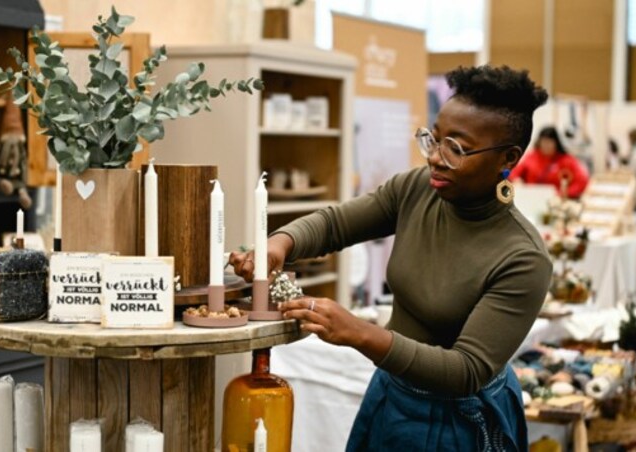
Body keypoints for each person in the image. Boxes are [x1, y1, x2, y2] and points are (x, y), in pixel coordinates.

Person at [230, 65, 552, 451]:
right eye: (433, 139)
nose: (435, 157)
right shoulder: (419, 189)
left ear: (509, 157)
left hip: (461, 421)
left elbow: (465, 370)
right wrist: (280, 243)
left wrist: (359, 333)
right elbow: (335, 225)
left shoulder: (523, 258)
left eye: (457, 149)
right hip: (393, 396)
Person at [509, 126, 590, 198]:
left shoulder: (567, 160)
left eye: (549, 142)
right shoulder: (532, 156)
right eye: (543, 142)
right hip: (532, 198)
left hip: (555, 201)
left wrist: (565, 193)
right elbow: (514, 172)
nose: (546, 145)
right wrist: (516, 180)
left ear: (556, 143)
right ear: (539, 142)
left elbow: (582, 180)